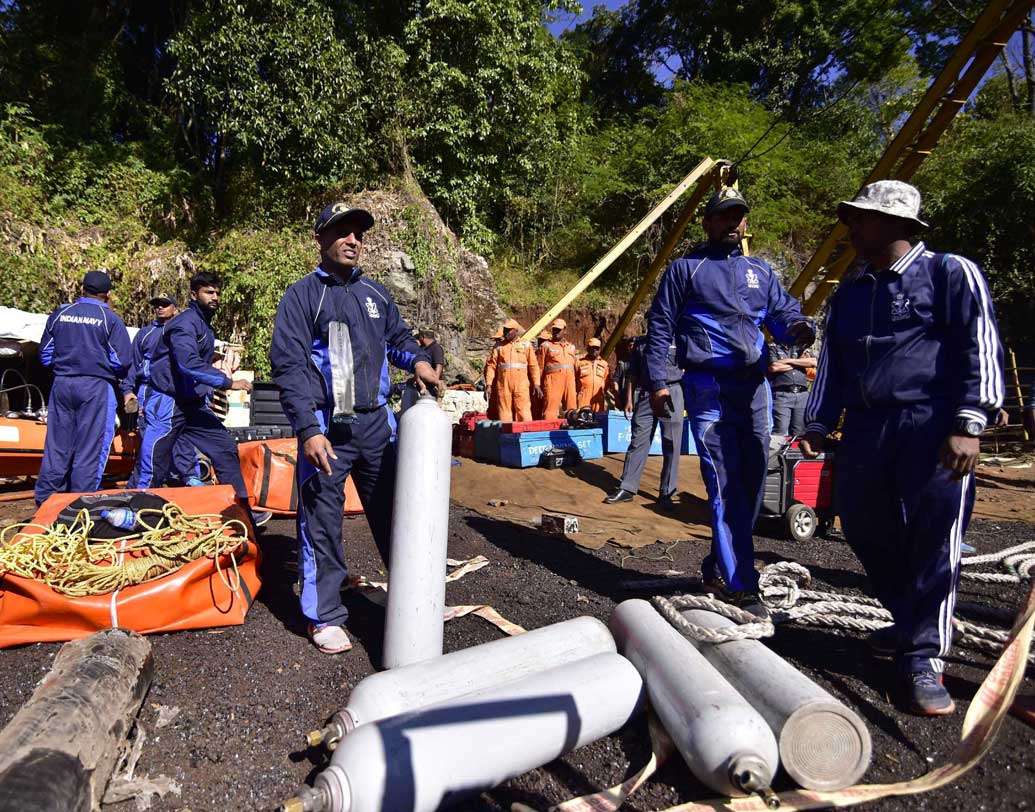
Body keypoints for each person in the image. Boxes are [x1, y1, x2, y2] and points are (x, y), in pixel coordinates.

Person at [801, 180, 1004, 715]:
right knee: (863, 525)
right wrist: (819, 422)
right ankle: (915, 618)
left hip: (932, 425)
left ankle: (922, 657)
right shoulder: (851, 291)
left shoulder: (948, 272)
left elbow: (978, 340)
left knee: (935, 537)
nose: (852, 227)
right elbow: (833, 364)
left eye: (862, 218)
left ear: (897, 224)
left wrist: (970, 420)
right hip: (868, 428)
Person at [271, 202, 439, 655]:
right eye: (341, 232)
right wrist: (308, 429)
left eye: (358, 233)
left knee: (395, 514)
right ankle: (324, 615)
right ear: (320, 239)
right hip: (328, 427)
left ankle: (412, 603)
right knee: (322, 521)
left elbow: (400, 341)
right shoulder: (303, 296)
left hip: (375, 426)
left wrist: (420, 361)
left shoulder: (376, 294)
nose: (352, 240)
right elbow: (288, 366)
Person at [646, 187, 814, 618]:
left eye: (739, 216)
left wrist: (796, 327)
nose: (734, 223)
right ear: (708, 222)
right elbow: (660, 325)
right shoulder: (686, 269)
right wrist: (658, 381)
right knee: (723, 484)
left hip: (756, 389)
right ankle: (742, 586)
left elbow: (781, 312)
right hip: (709, 389)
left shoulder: (760, 270)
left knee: (755, 485)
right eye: (725, 216)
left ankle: (718, 565)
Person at [145, 271, 268, 525]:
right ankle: (136, 517)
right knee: (153, 466)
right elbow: (187, 363)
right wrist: (229, 382)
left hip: (192, 405)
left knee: (224, 448)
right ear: (193, 295)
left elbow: (195, 361)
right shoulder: (184, 323)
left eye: (218, 293)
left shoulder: (204, 325)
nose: (215, 297)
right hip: (168, 403)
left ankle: (242, 511)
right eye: (209, 292)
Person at [35, 271, 135, 505]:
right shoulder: (109, 319)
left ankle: (45, 505)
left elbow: (45, 355)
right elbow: (122, 361)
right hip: (95, 386)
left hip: (62, 384)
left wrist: (68, 365)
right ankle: (78, 506)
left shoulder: (61, 313)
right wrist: (96, 365)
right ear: (106, 294)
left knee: (56, 448)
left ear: (82, 289)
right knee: (89, 449)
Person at [127, 293, 202, 488]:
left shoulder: (184, 331)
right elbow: (133, 366)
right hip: (150, 392)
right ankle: (146, 486)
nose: (160, 308)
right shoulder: (145, 334)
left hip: (181, 393)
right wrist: (129, 392)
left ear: (175, 308)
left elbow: (196, 363)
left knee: (183, 436)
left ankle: (189, 477)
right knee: (151, 442)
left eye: (165, 304)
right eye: (157, 305)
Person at [605, 334, 684, 510]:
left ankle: (667, 492)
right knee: (638, 441)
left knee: (672, 444)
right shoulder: (640, 344)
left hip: (672, 391)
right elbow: (632, 373)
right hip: (646, 393)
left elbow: (690, 366)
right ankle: (627, 487)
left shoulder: (679, 339)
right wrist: (628, 400)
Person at [483, 319, 542, 422]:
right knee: (504, 414)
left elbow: (534, 366)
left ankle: (525, 436)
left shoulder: (525, 345)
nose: (506, 332)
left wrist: (536, 384)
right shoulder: (498, 346)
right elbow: (491, 367)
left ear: (516, 331)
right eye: (505, 330)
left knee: (524, 412)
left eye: (509, 330)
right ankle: (508, 437)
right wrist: (488, 385)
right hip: (503, 386)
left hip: (521, 385)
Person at [767, 341, 816, 436]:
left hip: (802, 396)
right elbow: (774, 367)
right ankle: (777, 451)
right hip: (782, 395)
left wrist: (786, 361)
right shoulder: (773, 348)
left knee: (800, 432)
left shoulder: (801, 348)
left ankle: (794, 451)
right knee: (780, 429)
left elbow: (813, 362)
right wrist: (800, 363)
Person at [537, 318, 577, 419]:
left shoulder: (571, 347)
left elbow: (576, 367)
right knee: (550, 410)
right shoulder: (545, 346)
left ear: (565, 331)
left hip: (569, 382)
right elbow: (539, 367)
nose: (556, 332)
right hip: (552, 382)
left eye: (558, 330)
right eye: (554, 329)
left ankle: (570, 433)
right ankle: (548, 431)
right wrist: (537, 384)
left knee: (572, 410)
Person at [576, 338, 613, 411]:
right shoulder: (579, 362)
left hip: (598, 398)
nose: (594, 350)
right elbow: (573, 380)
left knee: (598, 419)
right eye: (592, 348)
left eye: (596, 348)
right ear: (587, 348)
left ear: (599, 350)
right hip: (583, 396)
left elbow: (607, 382)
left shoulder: (604, 364)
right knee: (582, 418)